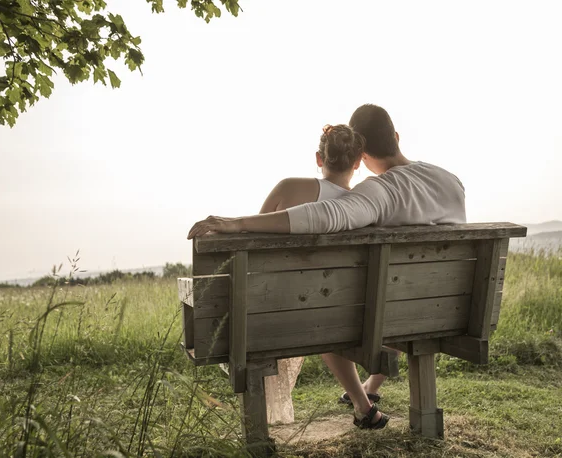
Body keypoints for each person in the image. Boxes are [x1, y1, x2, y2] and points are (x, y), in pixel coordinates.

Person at [187, 104, 466, 430]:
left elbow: (325, 216)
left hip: (388, 314)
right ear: (396, 137)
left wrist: (234, 224)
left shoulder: (380, 191)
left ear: (361, 153)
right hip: (445, 308)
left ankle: (362, 397)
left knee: (341, 306)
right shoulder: (450, 181)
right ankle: (369, 395)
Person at [260, 123, 364, 425]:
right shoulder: (362, 205)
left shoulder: (288, 188)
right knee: (325, 303)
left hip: (279, 310)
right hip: (339, 313)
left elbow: (254, 242)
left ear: (320, 158)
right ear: (357, 163)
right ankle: (362, 402)